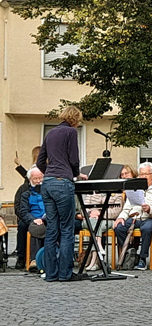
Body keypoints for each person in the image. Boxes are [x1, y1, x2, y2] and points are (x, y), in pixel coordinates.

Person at [36, 106, 88, 282]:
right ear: (75, 119)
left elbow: (40, 161)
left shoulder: (50, 133)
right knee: (66, 229)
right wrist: (75, 173)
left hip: (48, 183)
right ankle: (65, 274)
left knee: (52, 229)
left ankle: (50, 274)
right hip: (62, 183)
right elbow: (74, 158)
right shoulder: (71, 133)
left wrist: (49, 171)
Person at [113, 162, 152, 270]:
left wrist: (150, 209)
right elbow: (127, 208)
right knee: (119, 227)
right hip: (135, 218)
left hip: (151, 219)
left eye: (146, 174)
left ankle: (143, 258)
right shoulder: (134, 189)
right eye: (141, 174)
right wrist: (121, 218)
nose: (143, 177)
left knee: (146, 228)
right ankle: (131, 254)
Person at [81, 166, 131, 271]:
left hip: (106, 220)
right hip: (89, 220)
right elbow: (83, 209)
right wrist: (91, 213)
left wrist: (100, 213)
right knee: (95, 223)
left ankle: (94, 261)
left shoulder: (116, 193)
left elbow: (117, 211)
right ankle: (98, 248)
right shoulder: (93, 192)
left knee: (96, 224)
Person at [13, 146, 41, 270]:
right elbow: (19, 207)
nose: (39, 180)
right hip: (28, 215)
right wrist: (28, 217)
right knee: (23, 226)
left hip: (42, 215)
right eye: (36, 178)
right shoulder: (25, 189)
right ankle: (21, 256)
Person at [19, 167, 46, 273]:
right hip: (34, 220)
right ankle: (34, 260)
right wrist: (34, 219)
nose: (39, 181)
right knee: (36, 227)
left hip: (48, 218)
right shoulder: (26, 195)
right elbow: (24, 212)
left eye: (41, 178)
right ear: (30, 181)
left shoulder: (49, 193)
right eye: (35, 179)